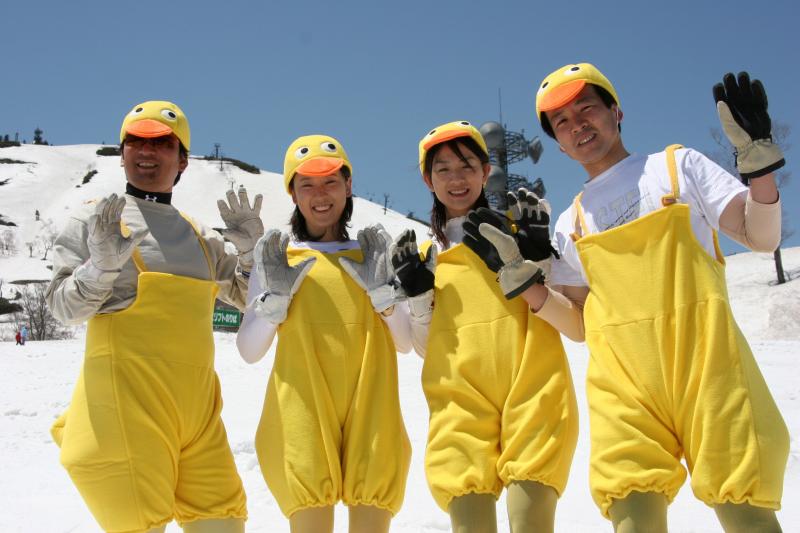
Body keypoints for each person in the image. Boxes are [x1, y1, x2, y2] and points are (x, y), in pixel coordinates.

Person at [534, 63, 789, 532]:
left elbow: (761, 235)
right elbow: (580, 324)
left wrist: (759, 169)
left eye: (586, 108)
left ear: (616, 111)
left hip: (707, 371)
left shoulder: (676, 168)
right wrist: (529, 287)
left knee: (746, 513)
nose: (577, 125)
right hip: (625, 389)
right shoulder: (571, 223)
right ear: (559, 143)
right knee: (633, 517)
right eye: (562, 122)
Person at [46, 100, 262, 533]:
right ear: (122, 153)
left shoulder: (200, 236)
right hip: (128, 412)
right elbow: (61, 307)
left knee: (225, 520)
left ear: (182, 160)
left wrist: (249, 255)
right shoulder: (95, 219)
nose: (147, 151)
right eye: (136, 142)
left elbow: (246, 299)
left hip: (197, 419)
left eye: (162, 143)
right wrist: (100, 268)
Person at [390, 120, 578, 533]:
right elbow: (426, 348)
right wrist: (419, 300)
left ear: (485, 171)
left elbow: (572, 320)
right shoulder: (426, 257)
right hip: (459, 405)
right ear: (428, 180)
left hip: (533, 388)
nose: (456, 179)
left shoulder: (522, 232)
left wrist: (538, 260)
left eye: (467, 166)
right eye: (443, 169)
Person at [234, 134, 412, 533]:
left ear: (348, 186)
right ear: (292, 192)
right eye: (307, 184)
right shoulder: (277, 259)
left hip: (373, 404)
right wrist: (275, 302)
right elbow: (248, 350)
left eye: (330, 181)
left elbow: (405, 342)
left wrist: (384, 296)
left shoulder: (375, 254)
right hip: (303, 409)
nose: (320, 194)